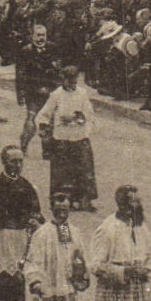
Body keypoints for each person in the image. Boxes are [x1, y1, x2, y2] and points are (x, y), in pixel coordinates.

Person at [22, 191, 89, 301]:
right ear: (51, 209)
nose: (61, 214)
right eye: (58, 209)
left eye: (65, 210)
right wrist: (36, 281)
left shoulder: (75, 233)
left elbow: (80, 258)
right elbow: (32, 262)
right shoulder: (42, 234)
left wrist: (82, 276)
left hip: (68, 294)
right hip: (49, 294)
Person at [0, 146, 41, 301]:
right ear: (5, 162)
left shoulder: (28, 187)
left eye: (21, 161)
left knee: (17, 281)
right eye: (14, 161)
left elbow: (37, 213)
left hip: (21, 240)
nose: (18, 165)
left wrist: (35, 222)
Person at [36, 67, 99, 210]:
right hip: (62, 138)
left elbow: (89, 114)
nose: (71, 82)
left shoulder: (82, 94)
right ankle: (62, 200)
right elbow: (44, 114)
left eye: (74, 79)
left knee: (84, 170)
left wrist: (81, 119)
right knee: (62, 171)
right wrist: (44, 126)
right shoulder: (56, 95)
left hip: (79, 137)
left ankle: (84, 200)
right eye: (68, 79)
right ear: (62, 78)